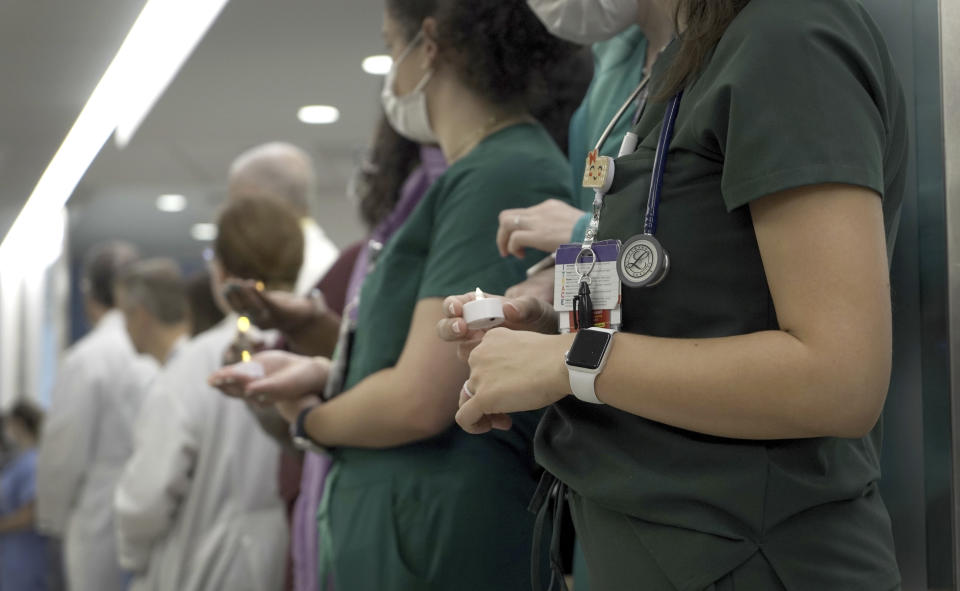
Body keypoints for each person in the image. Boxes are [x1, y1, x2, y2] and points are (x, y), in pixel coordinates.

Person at [440, 0, 908, 589]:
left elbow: (841, 379)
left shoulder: (788, 35)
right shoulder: (683, 61)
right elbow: (703, 292)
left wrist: (570, 358)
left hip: (750, 552)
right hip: (646, 541)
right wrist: (551, 318)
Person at [210, 2, 576, 589]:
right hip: (415, 534)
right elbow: (413, 358)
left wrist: (309, 420)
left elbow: (420, 399)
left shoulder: (501, 175)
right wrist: (322, 372)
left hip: (444, 538)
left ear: (428, 45)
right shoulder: (470, 177)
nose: (391, 70)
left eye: (389, 46)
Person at [114, 197, 301, 591]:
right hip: (293, 561)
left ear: (221, 273)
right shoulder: (318, 351)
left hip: (206, 567)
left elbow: (145, 500)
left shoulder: (199, 364)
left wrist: (133, 558)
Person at [35, 241, 157, 591]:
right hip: (148, 510)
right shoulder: (153, 353)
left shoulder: (87, 359)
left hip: (95, 512)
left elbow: (64, 450)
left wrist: (51, 519)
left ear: (89, 294)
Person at [228, 142, 339, 295]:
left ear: (260, 199)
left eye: (241, 206)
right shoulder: (323, 262)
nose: (235, 220)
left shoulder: (308, 270)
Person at [0, 401, 48, 590]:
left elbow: (32, 513)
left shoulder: (33, 462)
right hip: (11, 560)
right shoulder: (18, 462)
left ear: (19, 424)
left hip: (25, 559)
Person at [116, 258, 190, 366]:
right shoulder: (187, 361)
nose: (125, 329)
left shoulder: (185, 368)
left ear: (140, 315)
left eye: (126, 316)